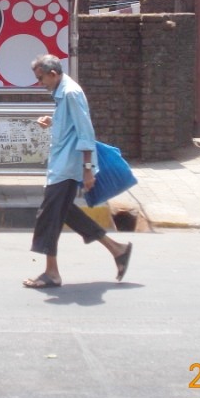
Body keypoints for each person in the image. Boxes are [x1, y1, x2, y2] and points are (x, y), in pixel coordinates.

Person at [23, 54, 133, 289]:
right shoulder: (62, 93)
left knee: (49, 216)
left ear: (53, 74)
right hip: (62, 164)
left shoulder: (71, 93)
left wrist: (87, 170)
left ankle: (52, 273)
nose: (40, 84)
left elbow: (85, 133)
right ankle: (117, 249)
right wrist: (51, 120)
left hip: (68, 166)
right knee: (66, 213)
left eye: (41, 79)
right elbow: (70, 123)